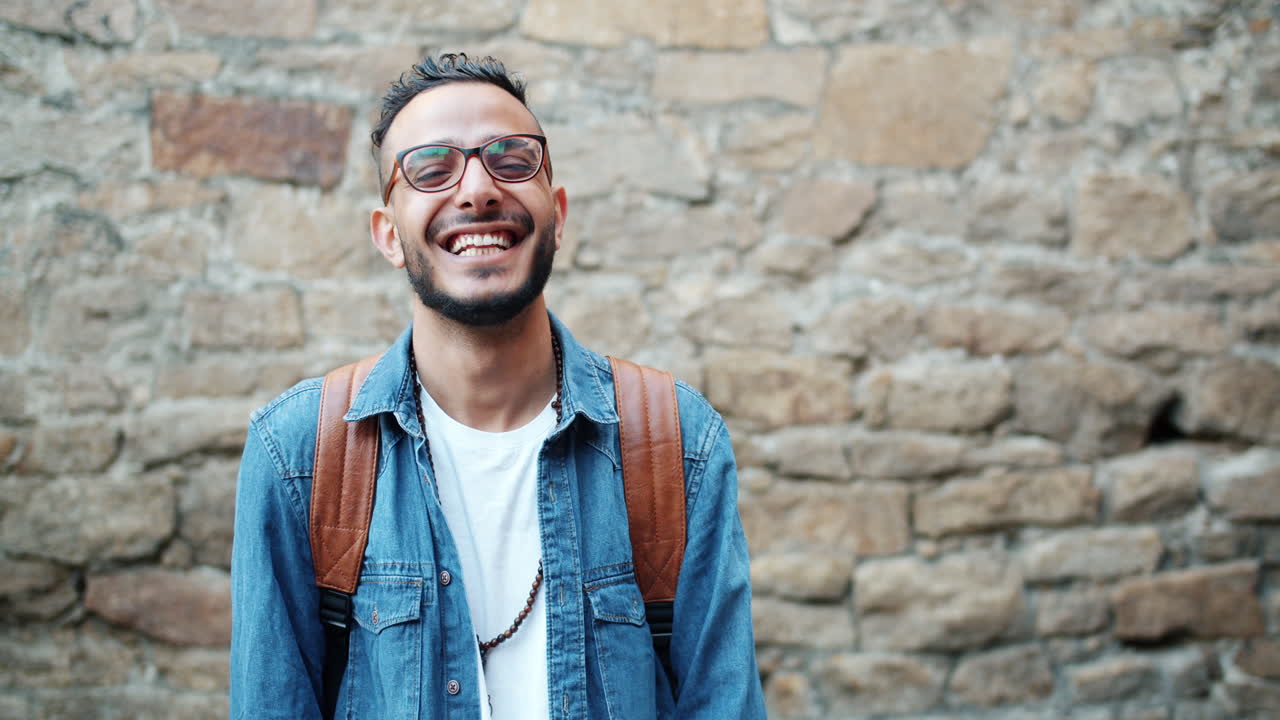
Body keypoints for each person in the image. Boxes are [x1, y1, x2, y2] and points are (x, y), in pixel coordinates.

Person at [230, 53, 764, 720]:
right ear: (388, 234)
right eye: (431, 168)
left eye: (512, 160)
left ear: (558, 215)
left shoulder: (675, 443)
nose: (478, 189)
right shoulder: (299, 454)